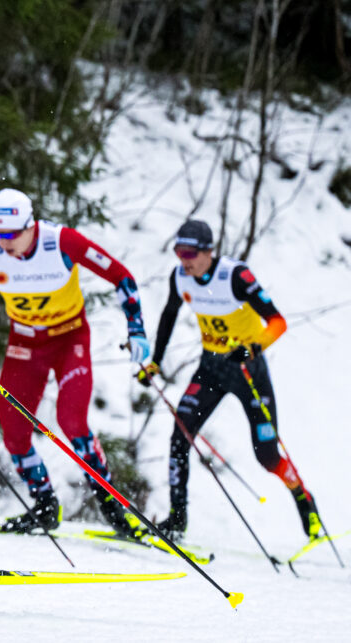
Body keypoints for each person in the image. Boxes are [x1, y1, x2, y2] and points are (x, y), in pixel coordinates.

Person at [0, 188, 149, 537]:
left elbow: (121, 277)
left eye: (11, 234)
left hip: (69, 339)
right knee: (14, 432)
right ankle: (45, 503)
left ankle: (113, 506)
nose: (3, 242)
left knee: (72, 421)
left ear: (31, 225)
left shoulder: (61, 241)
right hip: (25, 344)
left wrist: (137, 329)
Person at [138, 219, 321, 541]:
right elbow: (168, 316)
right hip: (211, 369)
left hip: (249, 371)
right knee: (180, 435)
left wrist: (253, 348)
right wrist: (154, 362)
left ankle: (304, 500)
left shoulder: (236, 276)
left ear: (209, 251)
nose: (185, 260)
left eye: (191, 253)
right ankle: (177, 519)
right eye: (179, 252)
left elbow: (277, 322)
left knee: (267, 455)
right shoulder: (180, 276)